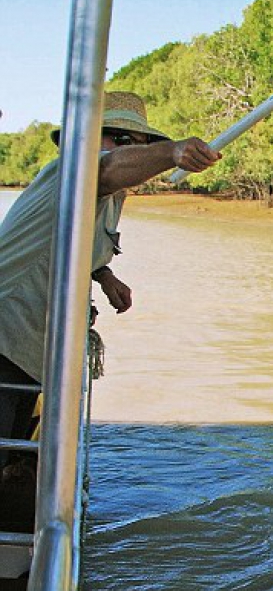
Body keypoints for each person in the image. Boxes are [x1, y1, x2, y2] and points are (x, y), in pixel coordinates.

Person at [0, 91, 221, 444]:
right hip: (7, 334)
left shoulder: (111, 195)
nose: (127, 148)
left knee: (15, 446)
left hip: (33, 346)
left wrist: (104, 275)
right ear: (84, 139)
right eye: (119, 139)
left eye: (138, 143)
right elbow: (104, 167)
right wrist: (171, 151)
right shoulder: (74, 170)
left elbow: (75, 240)